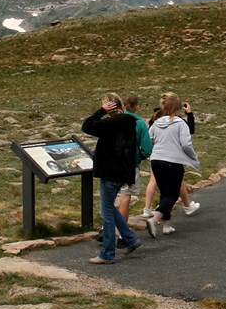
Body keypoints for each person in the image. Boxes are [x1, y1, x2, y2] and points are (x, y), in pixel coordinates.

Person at [81, 93, 142, 263]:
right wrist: (129, 175)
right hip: (122, 173)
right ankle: (130, 239)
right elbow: (130, 150)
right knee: (110, 208)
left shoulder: (110, 124)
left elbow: (86, 126)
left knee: (106, 213)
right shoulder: (129, 122)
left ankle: (107, 254)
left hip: (110, 173)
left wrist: (100, 111)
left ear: (109, 106)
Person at [98, 93, 153, 247]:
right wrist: (139, 157)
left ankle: (108, 232)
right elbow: (147, 149)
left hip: (110, 167)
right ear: (136, 106)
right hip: (130, 166)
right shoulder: (138, 123)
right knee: (125, 196)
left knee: (107, 203)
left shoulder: (110, 121)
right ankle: (124, 236)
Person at [146, 92, 200, 238]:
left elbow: (149, 140)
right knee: (173, 193)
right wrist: (192, 157)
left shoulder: (156, 123)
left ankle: (166, 225)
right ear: (178, 108)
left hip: (156, 161)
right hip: (173, 162)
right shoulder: (180, 124)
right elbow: (186, 144)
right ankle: (155, 219)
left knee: (164, 192)